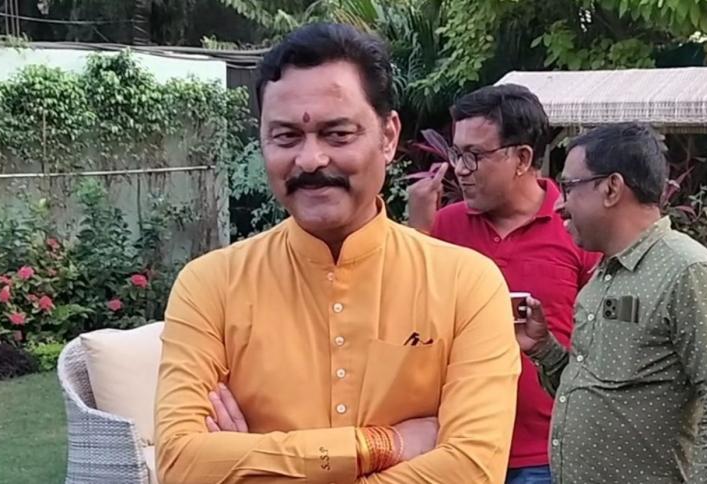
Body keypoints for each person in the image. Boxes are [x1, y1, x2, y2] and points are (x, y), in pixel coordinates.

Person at [155, 22, 522, 484]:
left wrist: (249, 463)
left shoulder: (466, 285)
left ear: (388, 137)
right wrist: (381, 445)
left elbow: (471, 469)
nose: (310, 160)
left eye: (338, 134)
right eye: (286, 137)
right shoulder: (211, 286)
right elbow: (180, 464)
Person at [516, 122, 707, 483]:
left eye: (569, 187)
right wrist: (543, 348)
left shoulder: (688, 273)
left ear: (612, 188)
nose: (559, 204)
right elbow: (590, 387)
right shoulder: (602, 276)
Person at [408, 84, 601, 484]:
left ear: (522, 158)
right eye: (456, 153)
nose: (461, 169)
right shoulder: (443, 226)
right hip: (457, 447)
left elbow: (600, 345)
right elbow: (408, 326)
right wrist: (418, 233)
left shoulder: (576, 229)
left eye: (475, 156)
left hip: (546, 453)